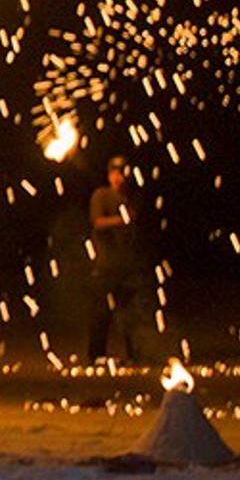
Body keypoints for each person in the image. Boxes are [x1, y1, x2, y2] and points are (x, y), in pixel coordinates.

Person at [88, 153, 152, 363]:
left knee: (129, 313)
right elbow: (98, 222)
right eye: (114, 173)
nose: (118, 178)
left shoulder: (131, 199)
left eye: (122, 174)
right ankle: (96, 355)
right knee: (102, 312)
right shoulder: (101, 195)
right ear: (109, 176)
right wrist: (121, 220)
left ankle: (134, 354)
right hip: (105, 265)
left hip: (126, 265)